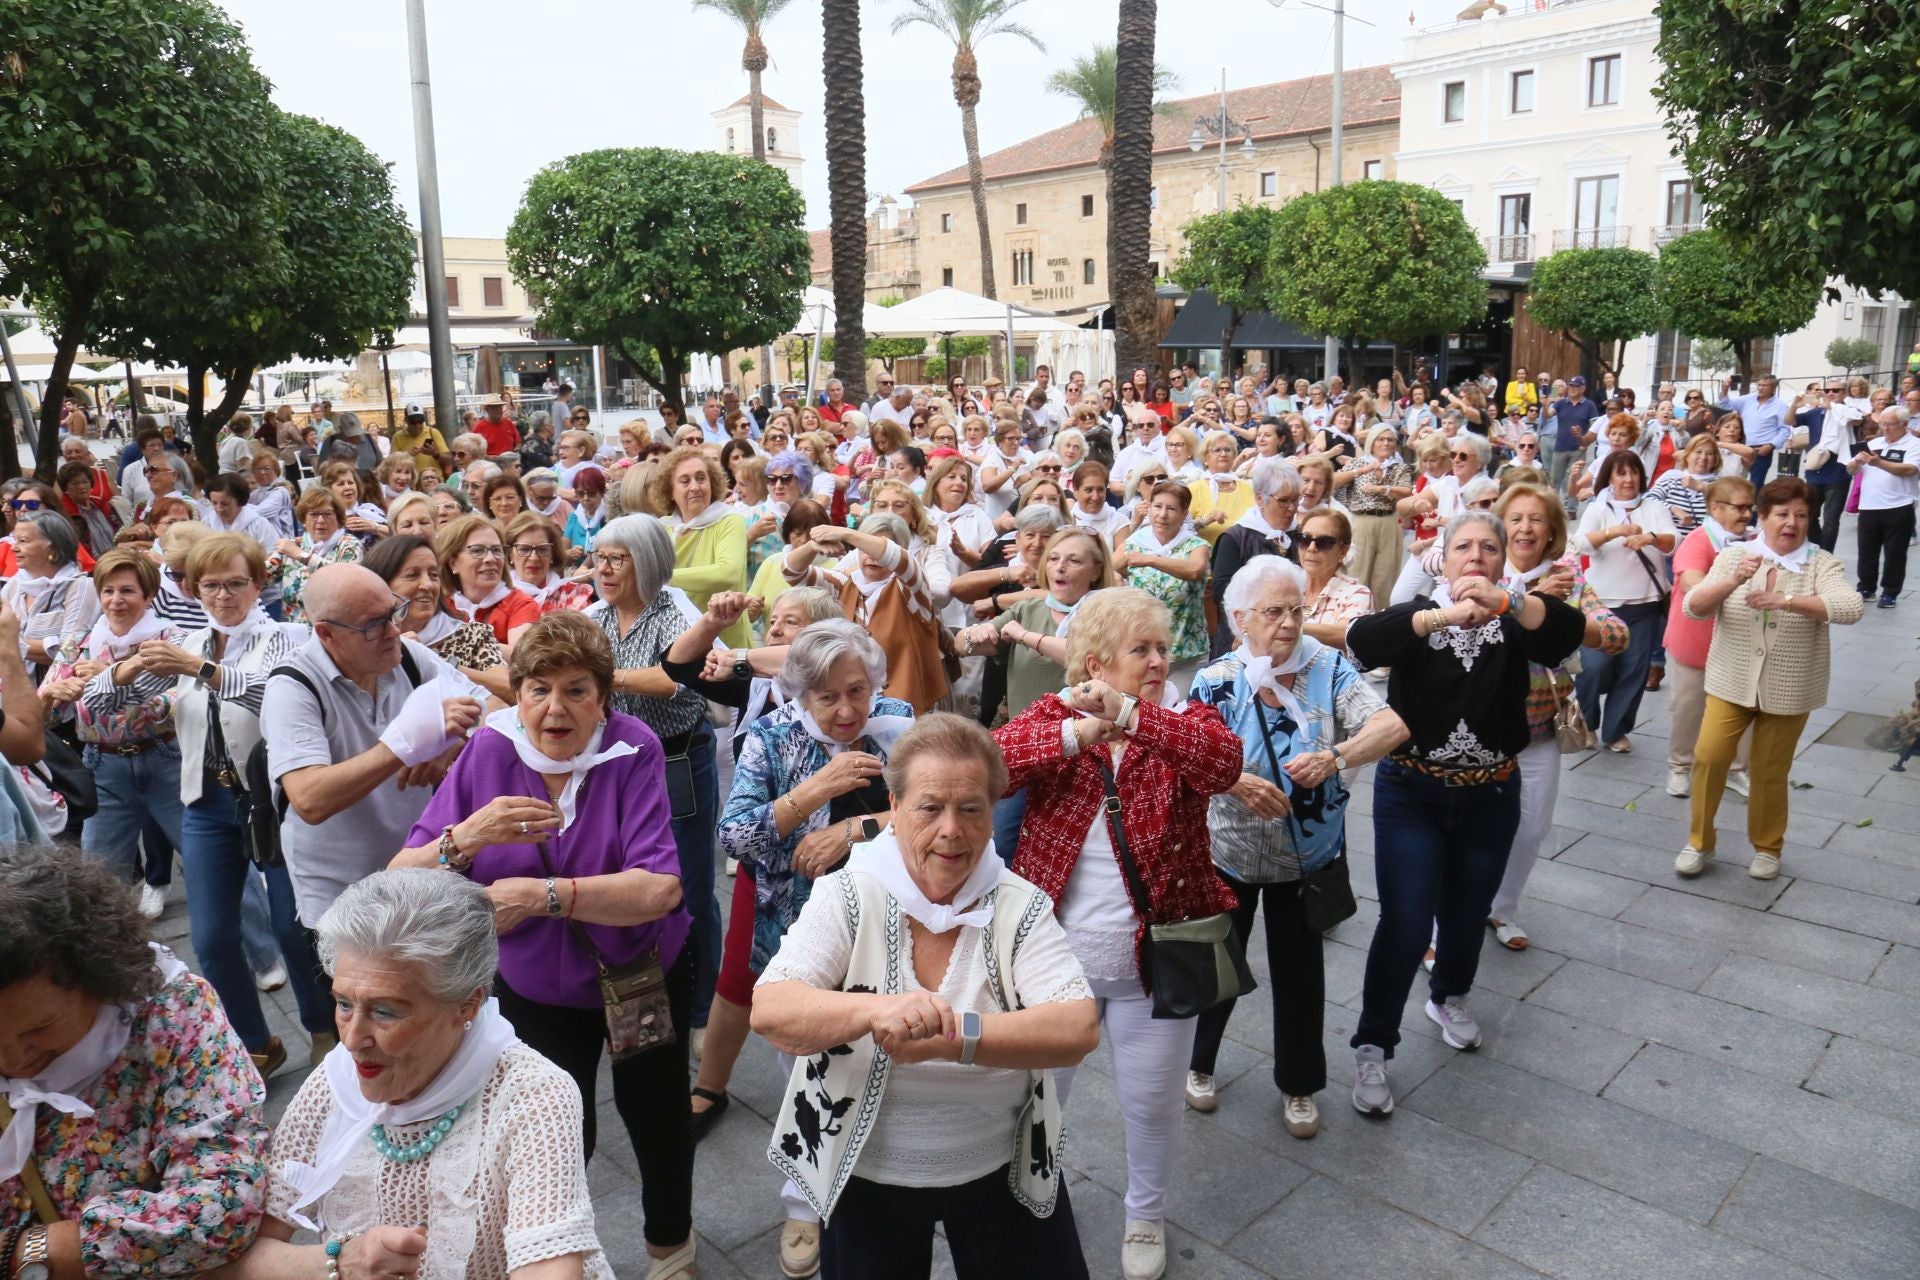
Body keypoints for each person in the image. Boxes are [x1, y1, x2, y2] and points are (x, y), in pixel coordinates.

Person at [386, 613, 695, 1277]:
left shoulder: (632, 747)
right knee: (553, 1131)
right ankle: (556, 1257)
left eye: (576, 690)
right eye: (539, 689)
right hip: (534, 986)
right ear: (517, 694)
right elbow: (400, 876)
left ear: (603, 698)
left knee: (658, 1117)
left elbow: (659, 889)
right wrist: (467, 837)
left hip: (638, 969)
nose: (556, 708)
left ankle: (671, 1251)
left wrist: (541, 896)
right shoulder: (489, 751)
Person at [752, 714, 1098, 1280]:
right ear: (895, 805)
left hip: (1002, 1163)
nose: (951, 830)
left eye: (971, 809)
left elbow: (1077, 1028)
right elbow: (771, 1009)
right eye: (930, 807)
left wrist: (953, 1038)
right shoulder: (849, 893)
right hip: (865, 1169)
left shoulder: (1019, 904)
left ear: (994, 810)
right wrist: (878, 1009)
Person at [994, 587, 1242, 1280]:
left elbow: (1223, 763)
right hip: (1053, 965)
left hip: (1157, 964)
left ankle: (1145, 1216)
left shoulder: (1184, 718)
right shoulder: (1055, 715)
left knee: (1152, 1105)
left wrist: (1132, 715)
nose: (1159, 660)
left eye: (1163, 648)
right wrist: (1081, 732)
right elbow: (991, 768)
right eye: (1142, 650)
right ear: (1097, 664)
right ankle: (1034, 1198)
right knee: (1036, 1100)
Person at [1343, 511, 1585, 1111]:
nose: (1475, 556)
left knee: (1468, 909)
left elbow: (1566, 634)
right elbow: (1364, 640)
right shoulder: (1419, 612)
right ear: (1443, 558)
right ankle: (1373, 1045)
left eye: (1488, 548)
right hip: (1412, 792)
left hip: (1491, 793)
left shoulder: (1518, 616)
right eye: (1463, 547)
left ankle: (1448, 995)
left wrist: (1509, 602)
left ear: (1502, 560)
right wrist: (1441, 617)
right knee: (1405, 919)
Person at [84, 532, 335, 1076]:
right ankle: (256, 1044)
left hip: (274, 803)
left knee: (292, 927)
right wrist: (129, 667)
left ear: (258, 584)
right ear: (193, 590)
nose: (223, 596)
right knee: (212, 939)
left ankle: (323, 1029)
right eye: (211, 586)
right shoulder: (188, 641)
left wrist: (195, 668)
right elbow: (98, 700)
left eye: (236, 583)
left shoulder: (286, 637)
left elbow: (271, 692)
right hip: (205, 801)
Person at [717, 619, 915, 1279]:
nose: (847, 709)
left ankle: (877, 1180)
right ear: (801, 693)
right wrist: (813, 793)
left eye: (857, 690)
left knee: (885, 1057)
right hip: (797, 930)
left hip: (890, 923)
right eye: (827, 697)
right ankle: (803, 1200)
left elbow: (934, 806)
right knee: (804, 1070)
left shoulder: (899, 722)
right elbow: (735, 836)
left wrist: (854, 828)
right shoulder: (772, 737)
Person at [1184, 558, 1404, 1135]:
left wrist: (1335, 757)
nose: (1288, 623)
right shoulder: (1216, 679)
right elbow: (1191, 758)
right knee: (1218, 965)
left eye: (1295, 610)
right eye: (1273, 612)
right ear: (1240, 618)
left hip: (1307, 856)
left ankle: (1299, 1086)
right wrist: (1236, 781)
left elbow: (1391, 727)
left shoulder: (1327, 666)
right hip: (1230, 852)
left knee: (1301, 974)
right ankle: (1199, 1063)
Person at [0, 846, 268, 1277]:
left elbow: (224, 1205)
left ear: (97, 976)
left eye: (39, 1028)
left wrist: (28, 1251)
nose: (13, 1060)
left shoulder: (170, 1017)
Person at [1430, 484, 1627, 958]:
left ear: (1553, 531)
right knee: (1458, 834)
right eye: (1515, 519)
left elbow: (1616, 635)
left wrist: (1554, 616)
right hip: (1474, 735)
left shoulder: (1567, 583)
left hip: (1538, 733)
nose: (1525, 528)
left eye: (1536, 519)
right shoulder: (1477, 574)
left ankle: (1501, 907)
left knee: (1531, 830)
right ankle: (1439, 929)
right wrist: (1517, 597)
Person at [263, 562, 490, 941]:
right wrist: (406, 745)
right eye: (373, 625)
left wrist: (450, 742)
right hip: (341, 896)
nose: (393, 631)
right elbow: (309, 799)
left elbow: (494, 709)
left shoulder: (407, 657)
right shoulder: (293, 686)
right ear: (326, 634)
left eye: (393, 613)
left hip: (420, 875)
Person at [1678, 478, 1865, 880]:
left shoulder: (1820, 563)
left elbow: (1850, 607)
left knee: (1768, 770)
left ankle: (1767, 848)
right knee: (1709, 758)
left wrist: (1787, 601)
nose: (1791, 523)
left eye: (1801, 515)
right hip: (1730, 680)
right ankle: (1699, 841)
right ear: (1762, 517)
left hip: (1790, 689)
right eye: (1781, 514)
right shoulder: (1735, 556)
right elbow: (1694, 607)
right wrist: (1733, 580)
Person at [37, 550, 187, 911]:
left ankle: (259, 943)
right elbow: (39, 717)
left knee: (211, 860)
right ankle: (115, 947)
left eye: (127, 591)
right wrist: (53, 695)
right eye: (108, 591)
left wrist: (108, 682)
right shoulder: (81, 643)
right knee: (99, 882)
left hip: (166, 760)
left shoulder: (172, 640)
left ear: (149, 595)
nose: (116, 600)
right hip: (104, 766)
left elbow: (180, 700)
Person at [783, 515, 950, 713]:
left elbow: (902, 560)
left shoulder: (912, 586)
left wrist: (847, 533)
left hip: (910, 706)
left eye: (874, 549)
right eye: (864, 550)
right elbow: (791, 573)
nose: (872, 556)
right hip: (855, 704)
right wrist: (812, 546)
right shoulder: (845, 581)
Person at [1572, 452, 1676, 753]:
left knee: (1634, 671)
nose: (1628, 479)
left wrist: (1651, 537)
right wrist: (1614, 531)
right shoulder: (1598, 508)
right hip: (1601, 607)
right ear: (1609, 478)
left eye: (1633, 473)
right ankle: (1587, 722)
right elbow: (1580, 543)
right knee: (1593, 667)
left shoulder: (1654, 506)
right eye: (1621, 473)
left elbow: (1673, 541)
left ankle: (1616, 731)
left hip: (1645, 605)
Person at [1664, 478, 1756, 800]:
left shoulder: (1754, 541)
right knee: (1688, 708)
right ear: (1715, 509)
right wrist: (1732, 582)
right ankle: (1680, 766)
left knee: (1742, 708)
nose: (1747, 514)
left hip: (1739, 643)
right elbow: (1693, 584)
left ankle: (1735, 769)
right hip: (1695, 642)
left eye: (1750, 507)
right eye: (1739, 507)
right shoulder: (1698, 541)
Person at [362, 534, 508, 698]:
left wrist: (432, 661)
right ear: (381, 584)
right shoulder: (365, 640)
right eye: (412, 575)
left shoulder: (472, 635)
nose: (428, 585)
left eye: (433, 575)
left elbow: (508, 690)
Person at [1113, 481, 1210, 696]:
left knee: (1178, 712)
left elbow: (1194, 570)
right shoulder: (1136, 542)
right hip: (1142, 653)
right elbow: (1112, 566)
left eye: (1171, 508)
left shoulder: (1196, 546)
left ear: (1184, 514)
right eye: (1157, 507)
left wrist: (1150, 560)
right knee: (1141, 710)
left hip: (1187, 654)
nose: (1162, 515)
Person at [650, 445, 750, 649]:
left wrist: (662, 578)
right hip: (676, 640)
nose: (694, 486)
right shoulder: (661, 528)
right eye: (685, 481)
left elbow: (727, 573)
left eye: (701, 478)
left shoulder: (730, 520)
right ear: (670, 491)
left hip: (726, 643)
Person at [1207, 458, 1301, 656]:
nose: (1292, 508)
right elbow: (1221, 591)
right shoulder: (1236, 538)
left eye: (1295, 500)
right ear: (1260, 499)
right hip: (1243, 640)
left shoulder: (1300, 537)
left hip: (1288, 638)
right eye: (1284, 500)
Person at [3, 510, 99, 672]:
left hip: (58, 686)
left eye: (23, 541)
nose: (14, 548)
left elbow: (70, 650)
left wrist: (10, 643)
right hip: (11, 684)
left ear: (52, 547)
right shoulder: (14, 585)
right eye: (15, 540)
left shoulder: (81, 587)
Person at [1847, 406, 1917, 608]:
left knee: (1895, 552)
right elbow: (1850, 470)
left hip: (1899, 505)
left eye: (1890, 424)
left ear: (1904, 424)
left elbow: (1909, 469)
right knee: (1866, 551)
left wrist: (1879, 463)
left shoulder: (1914, 444)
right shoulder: (1874, 443)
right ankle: (1866, 588)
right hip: (1869, 505)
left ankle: (1890, 592)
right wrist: (1856, 462)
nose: (1885, 428)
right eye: (1882, 424)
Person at [438, 514, 540, 649]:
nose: (490, 558)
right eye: (478, 550)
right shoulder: (440, 604)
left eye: (496, 550)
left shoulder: (521, 604)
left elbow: (519, 655)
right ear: (453, 563)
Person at [1297, 508, 1372, 655]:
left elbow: (1346, 634)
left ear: (1343, 551)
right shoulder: (1284, 586)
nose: (1311, 548)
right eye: (1305, 539)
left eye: (1324, 542)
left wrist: (1289, 628)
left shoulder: (1357, 594)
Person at [1718, 374, 1791, 487]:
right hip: (1741, 447)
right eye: (1759, 384)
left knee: (1755, 484)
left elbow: (1785, 430)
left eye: (1765, 385)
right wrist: (1725, 388)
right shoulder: (1748, 399)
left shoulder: (1780, 405)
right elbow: (1724, 404)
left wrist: (1771, 445)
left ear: (1773, 388)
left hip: (1761, 449)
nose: (1760, 388)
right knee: (1735, 480)